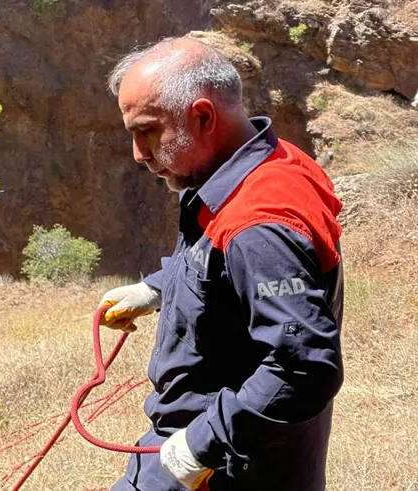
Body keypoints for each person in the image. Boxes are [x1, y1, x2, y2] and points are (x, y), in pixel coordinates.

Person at [99, 36, 344, 491]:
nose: (138, 153)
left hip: (226, 463)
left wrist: (202, 445)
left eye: (147, 130)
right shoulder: (264, 164)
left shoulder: (258, 221)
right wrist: (157, 287)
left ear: (203, 116)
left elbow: (304, 366)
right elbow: (222, 261)